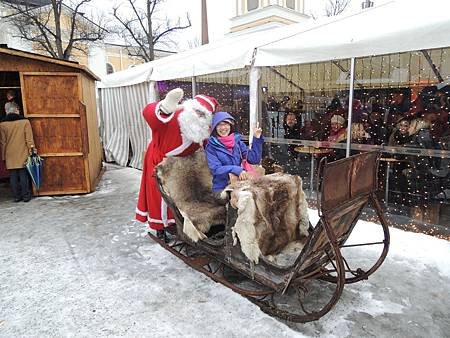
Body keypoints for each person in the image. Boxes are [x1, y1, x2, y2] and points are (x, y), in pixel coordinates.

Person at [135, 88, 219, 241]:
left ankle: (178, 223)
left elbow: (206, 143)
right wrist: (165, 108)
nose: (199, 116)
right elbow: (148, 113)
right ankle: (159, 227)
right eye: (198, 112)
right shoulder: (178, 115)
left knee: (182, 196)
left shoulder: (202, 127)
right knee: (159, 196)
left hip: (185, 164)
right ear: (191, 108)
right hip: (161, 160)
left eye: (203, 114)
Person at [205, 111, 263, 199]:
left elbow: (254, 159)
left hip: (241, 184)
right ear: (215, 128)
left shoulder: (237, 143)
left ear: (230, 126)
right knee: (237, 199)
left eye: (226, 124)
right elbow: (216, 169)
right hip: (222, 188)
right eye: (219, 124)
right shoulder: (211, 147)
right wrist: (236, 169)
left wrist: (256, 138)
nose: (223, 128)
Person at [0, 106, 35, 202]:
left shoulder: (2, 124)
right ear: (16, 111)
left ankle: (16, 196)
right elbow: (29, 139)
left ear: (7, 112)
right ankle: (26, 196)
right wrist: (32, 152)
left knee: (13, 176)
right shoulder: (25, 122)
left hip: (9, 154)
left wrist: (3, 156)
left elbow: (2, 142)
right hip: (22, 152)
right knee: (23, 175)